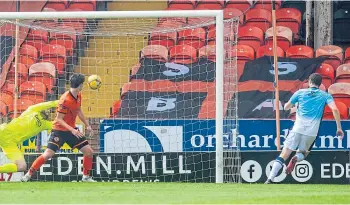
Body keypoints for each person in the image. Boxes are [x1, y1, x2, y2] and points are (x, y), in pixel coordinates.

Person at [265, 73, 344, 184]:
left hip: (297, 128)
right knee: (304, 153)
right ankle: (296, 158)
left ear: (309, 82)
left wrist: (296, 105)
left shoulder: (300, 93)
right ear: (320, 84)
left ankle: (270, 179)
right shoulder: (325, 95)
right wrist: (339, 128)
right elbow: (335, 110)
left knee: (284, 154)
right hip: (311, 131)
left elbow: (286, 107)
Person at [22, 73, 96, 182]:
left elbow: (78, 110)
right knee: (48, 154)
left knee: (89, 151)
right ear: (80, 85)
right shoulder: (65, 100)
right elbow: (58, 119)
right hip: (59, 131)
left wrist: (87, 125)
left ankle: (86, 177)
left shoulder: (79, 95)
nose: (83, 86)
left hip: (71, 130)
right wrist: (72, 130)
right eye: (82, 84)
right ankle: (28, 174)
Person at [0, 100, 58, 174]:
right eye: (48, 109)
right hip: (4, 131)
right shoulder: (33, 109)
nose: (49, 111)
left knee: (22, 166)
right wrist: (64, 101)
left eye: (50, 111)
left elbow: (58, 126)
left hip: (10, 144)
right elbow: (51, 103)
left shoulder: (44, 124)